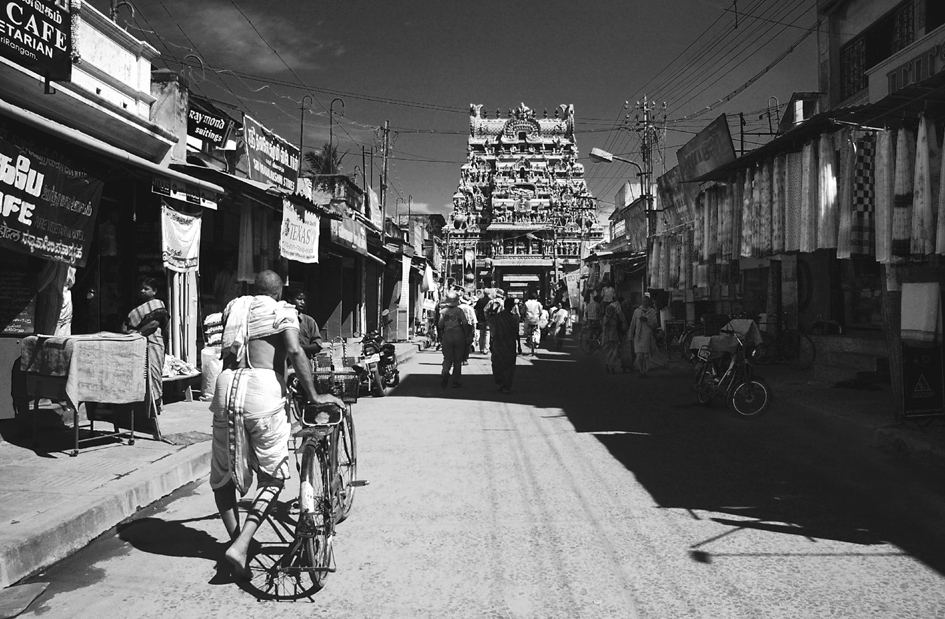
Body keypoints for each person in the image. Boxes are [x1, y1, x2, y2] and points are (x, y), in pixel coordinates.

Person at [209, 270, 343, 580]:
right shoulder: (282, 310)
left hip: (226, 386)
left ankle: (238, 539)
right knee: (274, 477)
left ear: (253, 289)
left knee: (222, 476)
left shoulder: (235, 307)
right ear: (279, 291)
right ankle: (241, 546)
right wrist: (314, 395)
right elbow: (295, 351)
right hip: (261, 390)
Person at [122, 277, 168, 418]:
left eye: (146, 289)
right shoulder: (139, 307)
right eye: (141, 288)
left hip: (153, 343)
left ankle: (156, 403)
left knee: (154, 372)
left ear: (154, 291)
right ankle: (143, 405)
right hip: (140, 343)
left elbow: (153, 325)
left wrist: (137, 333)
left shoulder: (157, 305)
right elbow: (126, 324)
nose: (142, 291)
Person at [437, 291, 470, 388]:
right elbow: (465, 324)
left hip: (447, 335)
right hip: (459, 334)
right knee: (458, 359)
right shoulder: (459, 311)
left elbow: (440, 325)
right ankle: (456, 380)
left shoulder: (443, 312)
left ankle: (446, 372)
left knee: (447, 357)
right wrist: (467, 334)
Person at [489, 297, 519, 393]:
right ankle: (506, 384)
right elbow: (516, 332)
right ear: (512, 307)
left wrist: (491, 342)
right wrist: (519, 346)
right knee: (509, 365)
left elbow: (492, 331)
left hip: (498, 343)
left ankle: (500, 381)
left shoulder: (497, 318)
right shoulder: (514, 318)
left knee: (497, 363)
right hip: (510, 344)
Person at [284, 288, 323, 356]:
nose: (302, 302)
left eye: (304, 300)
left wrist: (297, 348)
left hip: (304, 362)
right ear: (290, 299)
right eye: (299, 299)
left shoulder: (309, 321)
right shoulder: (282, 319)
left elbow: (317, 345)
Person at [629, 294, 659, 378]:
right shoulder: (637, 311)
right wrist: (630, 335)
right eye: (643, 301)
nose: (645, 303)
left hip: (647, 336)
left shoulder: (652, 312)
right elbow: (633, 324)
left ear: (649, 302)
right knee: (639, 356)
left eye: (646, 301)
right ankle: (641, 370)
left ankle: (645, 372)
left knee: (646, 356)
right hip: (638, 337)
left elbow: (655, 324)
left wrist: (647, 320)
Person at [601, 299, 627, 373]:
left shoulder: (615, 318)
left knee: (615, 352)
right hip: (608, 336)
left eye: (612, 310)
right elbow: (605, 324)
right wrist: (609, 317)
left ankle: (610, 364)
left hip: (615, 336)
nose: (611, 312)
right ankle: (609, 364)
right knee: (611, 351)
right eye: (609, 310)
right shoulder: (606, 317)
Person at [458, 294, 477, 363]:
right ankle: (464, 359)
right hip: (468, 327)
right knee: (467, 343)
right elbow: (474, 320)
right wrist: (474, 330)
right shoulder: (470, 308)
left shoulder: (457, 307)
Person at [474, 289, 491, 354]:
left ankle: (481, 348)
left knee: (481, 333)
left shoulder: (480, 300)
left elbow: (476, 309)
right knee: (487, 333)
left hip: (481, 319)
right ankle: (486, 349)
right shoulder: (490, 301)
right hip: (488, 319)